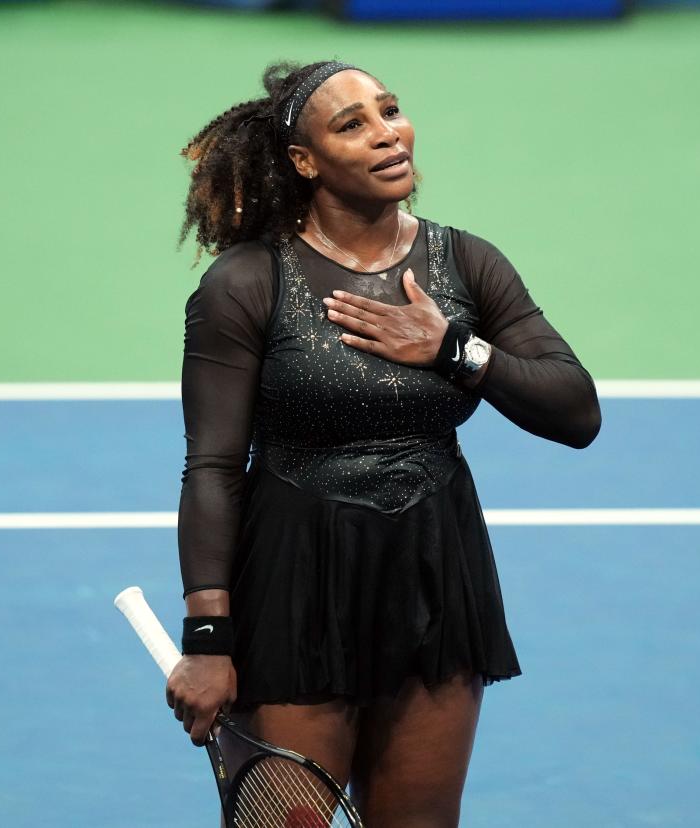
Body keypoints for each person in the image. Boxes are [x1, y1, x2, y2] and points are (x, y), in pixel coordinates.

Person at [167, 59, 601, 827]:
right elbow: (211, 468)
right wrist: (208, 635)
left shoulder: (466, 262)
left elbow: (576, 412)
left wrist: (451, 349)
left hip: (436, 579)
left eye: (390, 111)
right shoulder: (245, 284)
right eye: (352, 124)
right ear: (305, 161)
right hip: (294, 585)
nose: (387, 134)